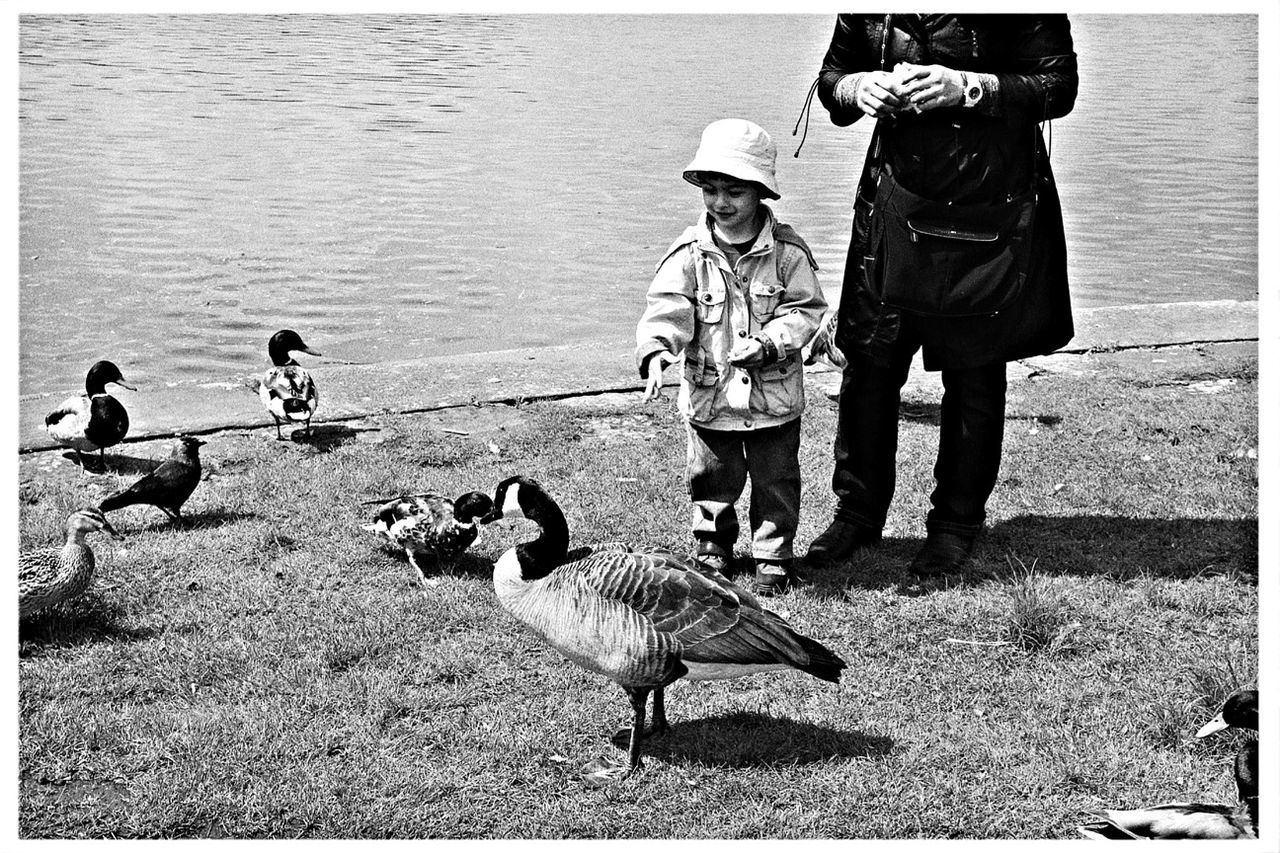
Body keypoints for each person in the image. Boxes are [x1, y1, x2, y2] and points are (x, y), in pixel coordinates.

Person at [806, 15, 1079, 577]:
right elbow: (832, 83)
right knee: (869, 363)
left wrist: (970, 88)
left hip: (988, 204)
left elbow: (1059, 86)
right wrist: (859, 88)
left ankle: (955, 526)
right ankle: (856, 515)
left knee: (975, 375)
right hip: (892, 205)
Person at [636, 118, 827, 596]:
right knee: (710, 479)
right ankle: (712, 548)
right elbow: (667, 307)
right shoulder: (688, 252)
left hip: (773, 400)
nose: (721, 203)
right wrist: (658, 352)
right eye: (711, 190)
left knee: (776, 481)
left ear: (761, 191)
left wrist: (770, 342)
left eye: (735, 192)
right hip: (710, 398)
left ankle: (772, 554)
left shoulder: (788, 253)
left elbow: (807, 310)